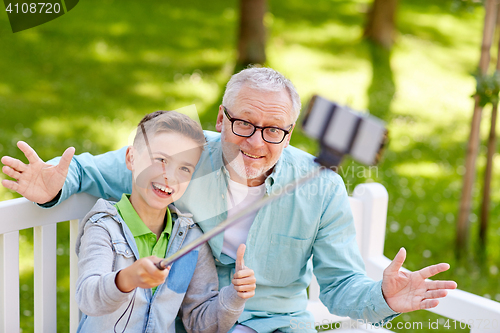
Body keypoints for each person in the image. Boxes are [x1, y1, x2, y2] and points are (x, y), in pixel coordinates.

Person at [1, 67, 457, 333]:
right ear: (221, 117)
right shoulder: (184, 156)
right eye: (243, 124)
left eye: (274, 130)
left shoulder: (319, 184)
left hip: (280, 325)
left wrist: (384, 296)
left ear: (290, 132)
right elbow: (92, 171)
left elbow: (339, 288)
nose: (257, 143)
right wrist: (53, 188)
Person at [74, 111, 256, 332]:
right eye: (161, 160)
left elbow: (200, 323)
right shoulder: (104, 226)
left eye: (184, 168)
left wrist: (234, 297)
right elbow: (89, 297)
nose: (170, 175)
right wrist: (128, 278)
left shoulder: (191, 241)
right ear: (131, 158)